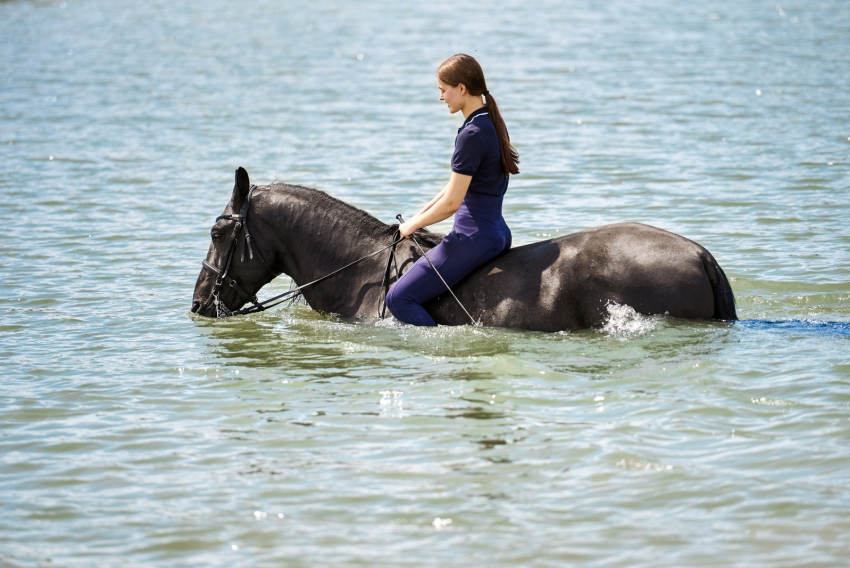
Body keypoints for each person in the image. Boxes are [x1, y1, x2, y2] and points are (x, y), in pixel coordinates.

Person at [386, 54, 519, 326]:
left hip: (474, 236)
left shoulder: (471, 134)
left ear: (461, 88)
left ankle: (441, 354)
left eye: (443, 90)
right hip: (497, 232)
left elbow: (452, 203)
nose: (441, 98)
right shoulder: (489, 121)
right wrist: (416, 219)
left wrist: (411, 228)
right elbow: (454, 186)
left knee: (399, 298)